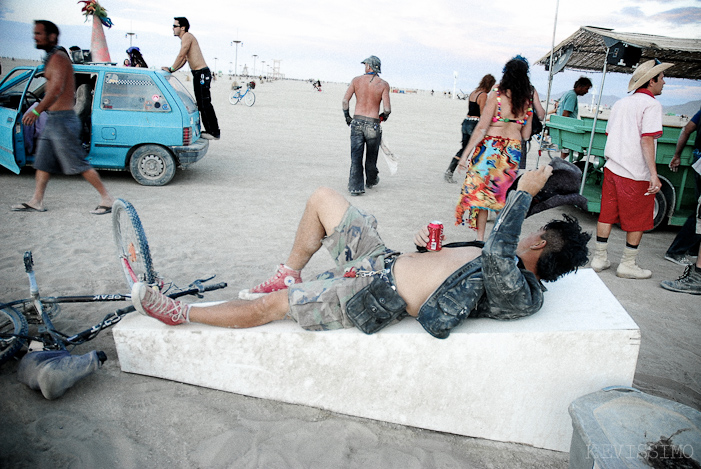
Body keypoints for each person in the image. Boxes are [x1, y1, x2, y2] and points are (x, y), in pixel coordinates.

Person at [131, 166, 591, 339]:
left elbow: (495, 260)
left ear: (536, 241)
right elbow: (467, 262)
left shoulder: (525, 292)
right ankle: (290, 270)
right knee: (323, 197)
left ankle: (180, 314)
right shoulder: (499, 253)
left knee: (269, 308)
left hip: (372, 294)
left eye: (531, 227)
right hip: (381, 258)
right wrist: (422, 249)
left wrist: (524, 195)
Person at [11, 20, 114, 215]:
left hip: (63, 121)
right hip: (54, 120)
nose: (35, 37)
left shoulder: (58, 58)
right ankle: (36, 201)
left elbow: (56, 89)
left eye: (39, 33)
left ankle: (107, 199)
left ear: (51, 36)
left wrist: (36, 110)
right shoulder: (52, 58)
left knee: (78, 163)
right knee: (43, 161)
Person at [590, 59, 673, 279]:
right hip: (635, 172)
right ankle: (627, 264)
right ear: (651, 80)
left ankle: (599, 258)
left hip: (612, 167)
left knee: (606, 214)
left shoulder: (620, 103)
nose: (664, 82)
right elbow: (647, 140)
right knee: (637, 219)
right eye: (662, 78)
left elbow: (611, 134)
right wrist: (654, 175)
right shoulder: (652, 105)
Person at [454, 55, 534, 241]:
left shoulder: (496, 94)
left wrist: (465, 156)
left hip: (490, 148)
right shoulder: (526, 100)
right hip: (511, 151)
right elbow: (526, 135)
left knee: (481, 195)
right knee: (501, 196)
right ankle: (496, 239)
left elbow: (482, 127)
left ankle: (480, 239)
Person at [162, 17, 220, 140]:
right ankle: (211, 130)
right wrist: (172, 70)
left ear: (182, 27)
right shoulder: (185, 39)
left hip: (202, 73)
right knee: (200, 103)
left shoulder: (187, 36)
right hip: (198, 73)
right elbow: (184, 59)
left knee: (205, 103)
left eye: (175, 26)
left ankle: (214, 132)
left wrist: (171, 68)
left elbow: (182, 54)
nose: (172, 28)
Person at [342, 56, 391, 196]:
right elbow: (387, 109)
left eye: (365, 64)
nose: (364, 66)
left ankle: (355, 187)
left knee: (356, 156)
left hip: (357, 122)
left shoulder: (356, 81)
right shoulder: (383, 84)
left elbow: (345, 100)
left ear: (369, 66)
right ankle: (371, 180)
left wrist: (347, 116)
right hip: (373, 124)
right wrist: (383, 117)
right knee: (371, 156)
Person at [663, 106, 701, 266]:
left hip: (698, 160)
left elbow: (687, 129)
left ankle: (693, 250)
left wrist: (677, 155)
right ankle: (676, 251)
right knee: (699, 212)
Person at [444, 74, 496, 183]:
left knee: (464, 148)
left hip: (466, 122)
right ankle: (478, 174)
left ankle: (450, 170)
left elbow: (470, 109)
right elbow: (482, 113)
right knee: (481, 148)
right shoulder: (483, 95)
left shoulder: (473, 93)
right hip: (475, 123)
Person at [557, 77, 593, 158]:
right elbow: (565, 114)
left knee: (565, 153)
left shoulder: (568, 93)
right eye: (586, 88)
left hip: (564, 129)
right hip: (567, 129)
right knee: (566, 153)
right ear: (580, 86)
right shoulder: (572, 96)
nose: (587, 91)